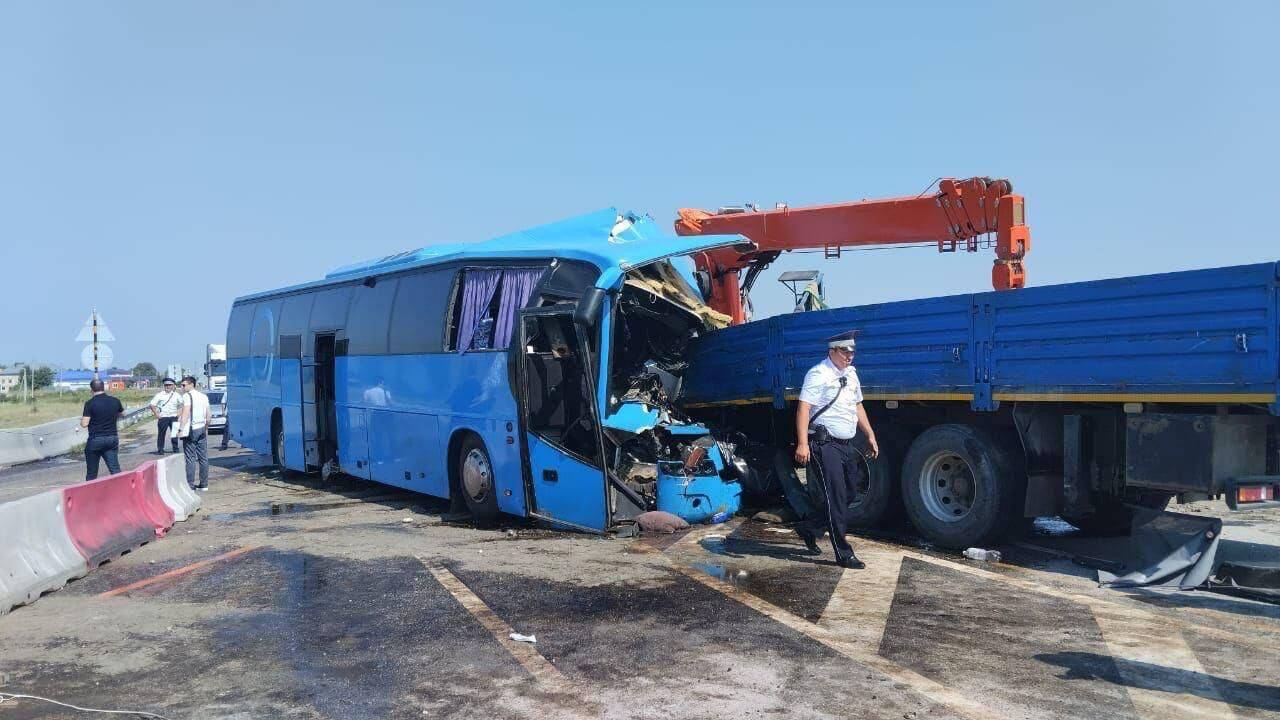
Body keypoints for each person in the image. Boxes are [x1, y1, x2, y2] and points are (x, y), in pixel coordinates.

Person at [793, 330, 879, 569]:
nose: (849, 356)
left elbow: (857, 407)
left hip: (845, 444)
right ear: (832, 351)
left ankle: (809, 528)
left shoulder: (851, 374)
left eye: (852, 351)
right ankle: (843, 553)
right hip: (823, 444)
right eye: (844, 351)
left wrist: (869, 434)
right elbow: (803, 409)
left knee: (851, 492)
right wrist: (802, 443)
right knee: (837, 497)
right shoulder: (818, 374)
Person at [81, 378, 124, 480]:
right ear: (103, 387)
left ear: (91, 389)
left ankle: (90, 494)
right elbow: (121, 415)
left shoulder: (90, 403)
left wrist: (81, 420)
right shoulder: (115, 401)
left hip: (96, 439)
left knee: (92, 472)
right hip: (112, 438)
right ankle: (123, 489)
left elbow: (84, 424)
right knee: (115, 469)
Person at [177, 375, 211, 491]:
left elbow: (185, 413)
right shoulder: (203, 396)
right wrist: (206, 427)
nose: (182, 387)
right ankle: (204, 484)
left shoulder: (187, 396)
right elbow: (208, 415)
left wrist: (181, 429)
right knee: (203, 458)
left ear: (191, 384)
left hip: (191, 430)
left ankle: (190, 485)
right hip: (202, 427)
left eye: (184, 385)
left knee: (190, 458)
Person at [148, 377, 182, 454]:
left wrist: (179, 413)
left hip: (173, 416)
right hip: (163, 417)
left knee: (174, 433)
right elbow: (152, 405)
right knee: (161, 434)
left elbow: (182, 404)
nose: (168, 386)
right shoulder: (159, 395)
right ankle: (160, 449)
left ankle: (175, 448)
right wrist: (156, 414)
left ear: (173, 386)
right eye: (166, 385)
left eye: (170, 385)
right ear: (164, 385)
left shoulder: (176, 395)